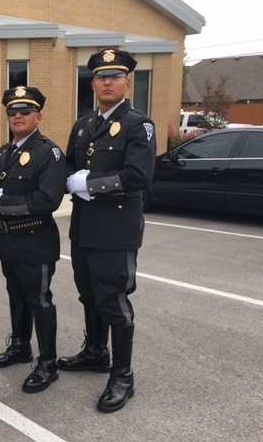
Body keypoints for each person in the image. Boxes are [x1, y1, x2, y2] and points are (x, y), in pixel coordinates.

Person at [59, 48, 156, 412]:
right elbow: (69, 167)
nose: (106, 82)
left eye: (114, 76)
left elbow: (139, 177)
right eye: (100, 77)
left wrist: (92, 183)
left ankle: (123, 375)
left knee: (114, 301)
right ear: (93, 83)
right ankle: (95, 352)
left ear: (128, 81)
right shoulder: (83, 125)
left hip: (116, 230)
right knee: (89, 295)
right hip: (84, 228)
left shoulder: (138, 124)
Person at [0, 86, 66, 393]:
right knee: (15, 295)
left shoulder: (49, 153)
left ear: (38, 116)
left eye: (25, 111)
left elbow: (49, 198)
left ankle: (48, 363)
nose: (17, 116)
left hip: (36, 240)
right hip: (9, 240)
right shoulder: (5, 152)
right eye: (12, 112)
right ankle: (20, 346)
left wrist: (3, 204)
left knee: (39, 300)